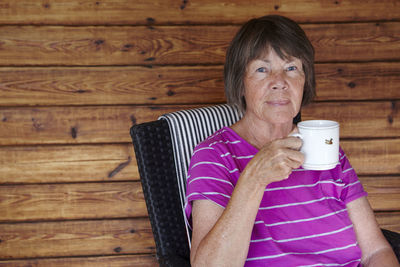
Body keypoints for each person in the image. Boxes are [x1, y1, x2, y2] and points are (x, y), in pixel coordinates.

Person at [184, 15, 399, 266]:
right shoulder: (215, 155)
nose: (279, 82)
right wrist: (254, 178)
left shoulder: (326, 149)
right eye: (262, 69)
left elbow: (375, 252)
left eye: (291, 68)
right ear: (240, 83)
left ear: (304, 81)